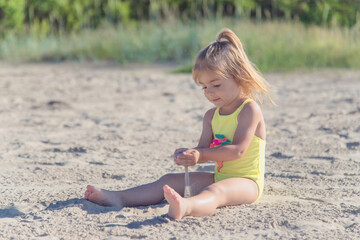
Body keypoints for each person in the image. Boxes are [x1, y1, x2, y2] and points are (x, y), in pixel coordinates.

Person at [84, 28, 273, 220]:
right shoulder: (210, 116)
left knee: (216, 191)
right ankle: (119, 197)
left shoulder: (249, 110)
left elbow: (237, 151)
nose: (209, 93)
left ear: (239, 77)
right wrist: (190, 156)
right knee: (168, 180)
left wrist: (201, 154)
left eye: (216, 85)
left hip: (248, 183)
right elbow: (203, 150)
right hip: (220, 177)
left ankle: (186, 206)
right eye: (204, 87)